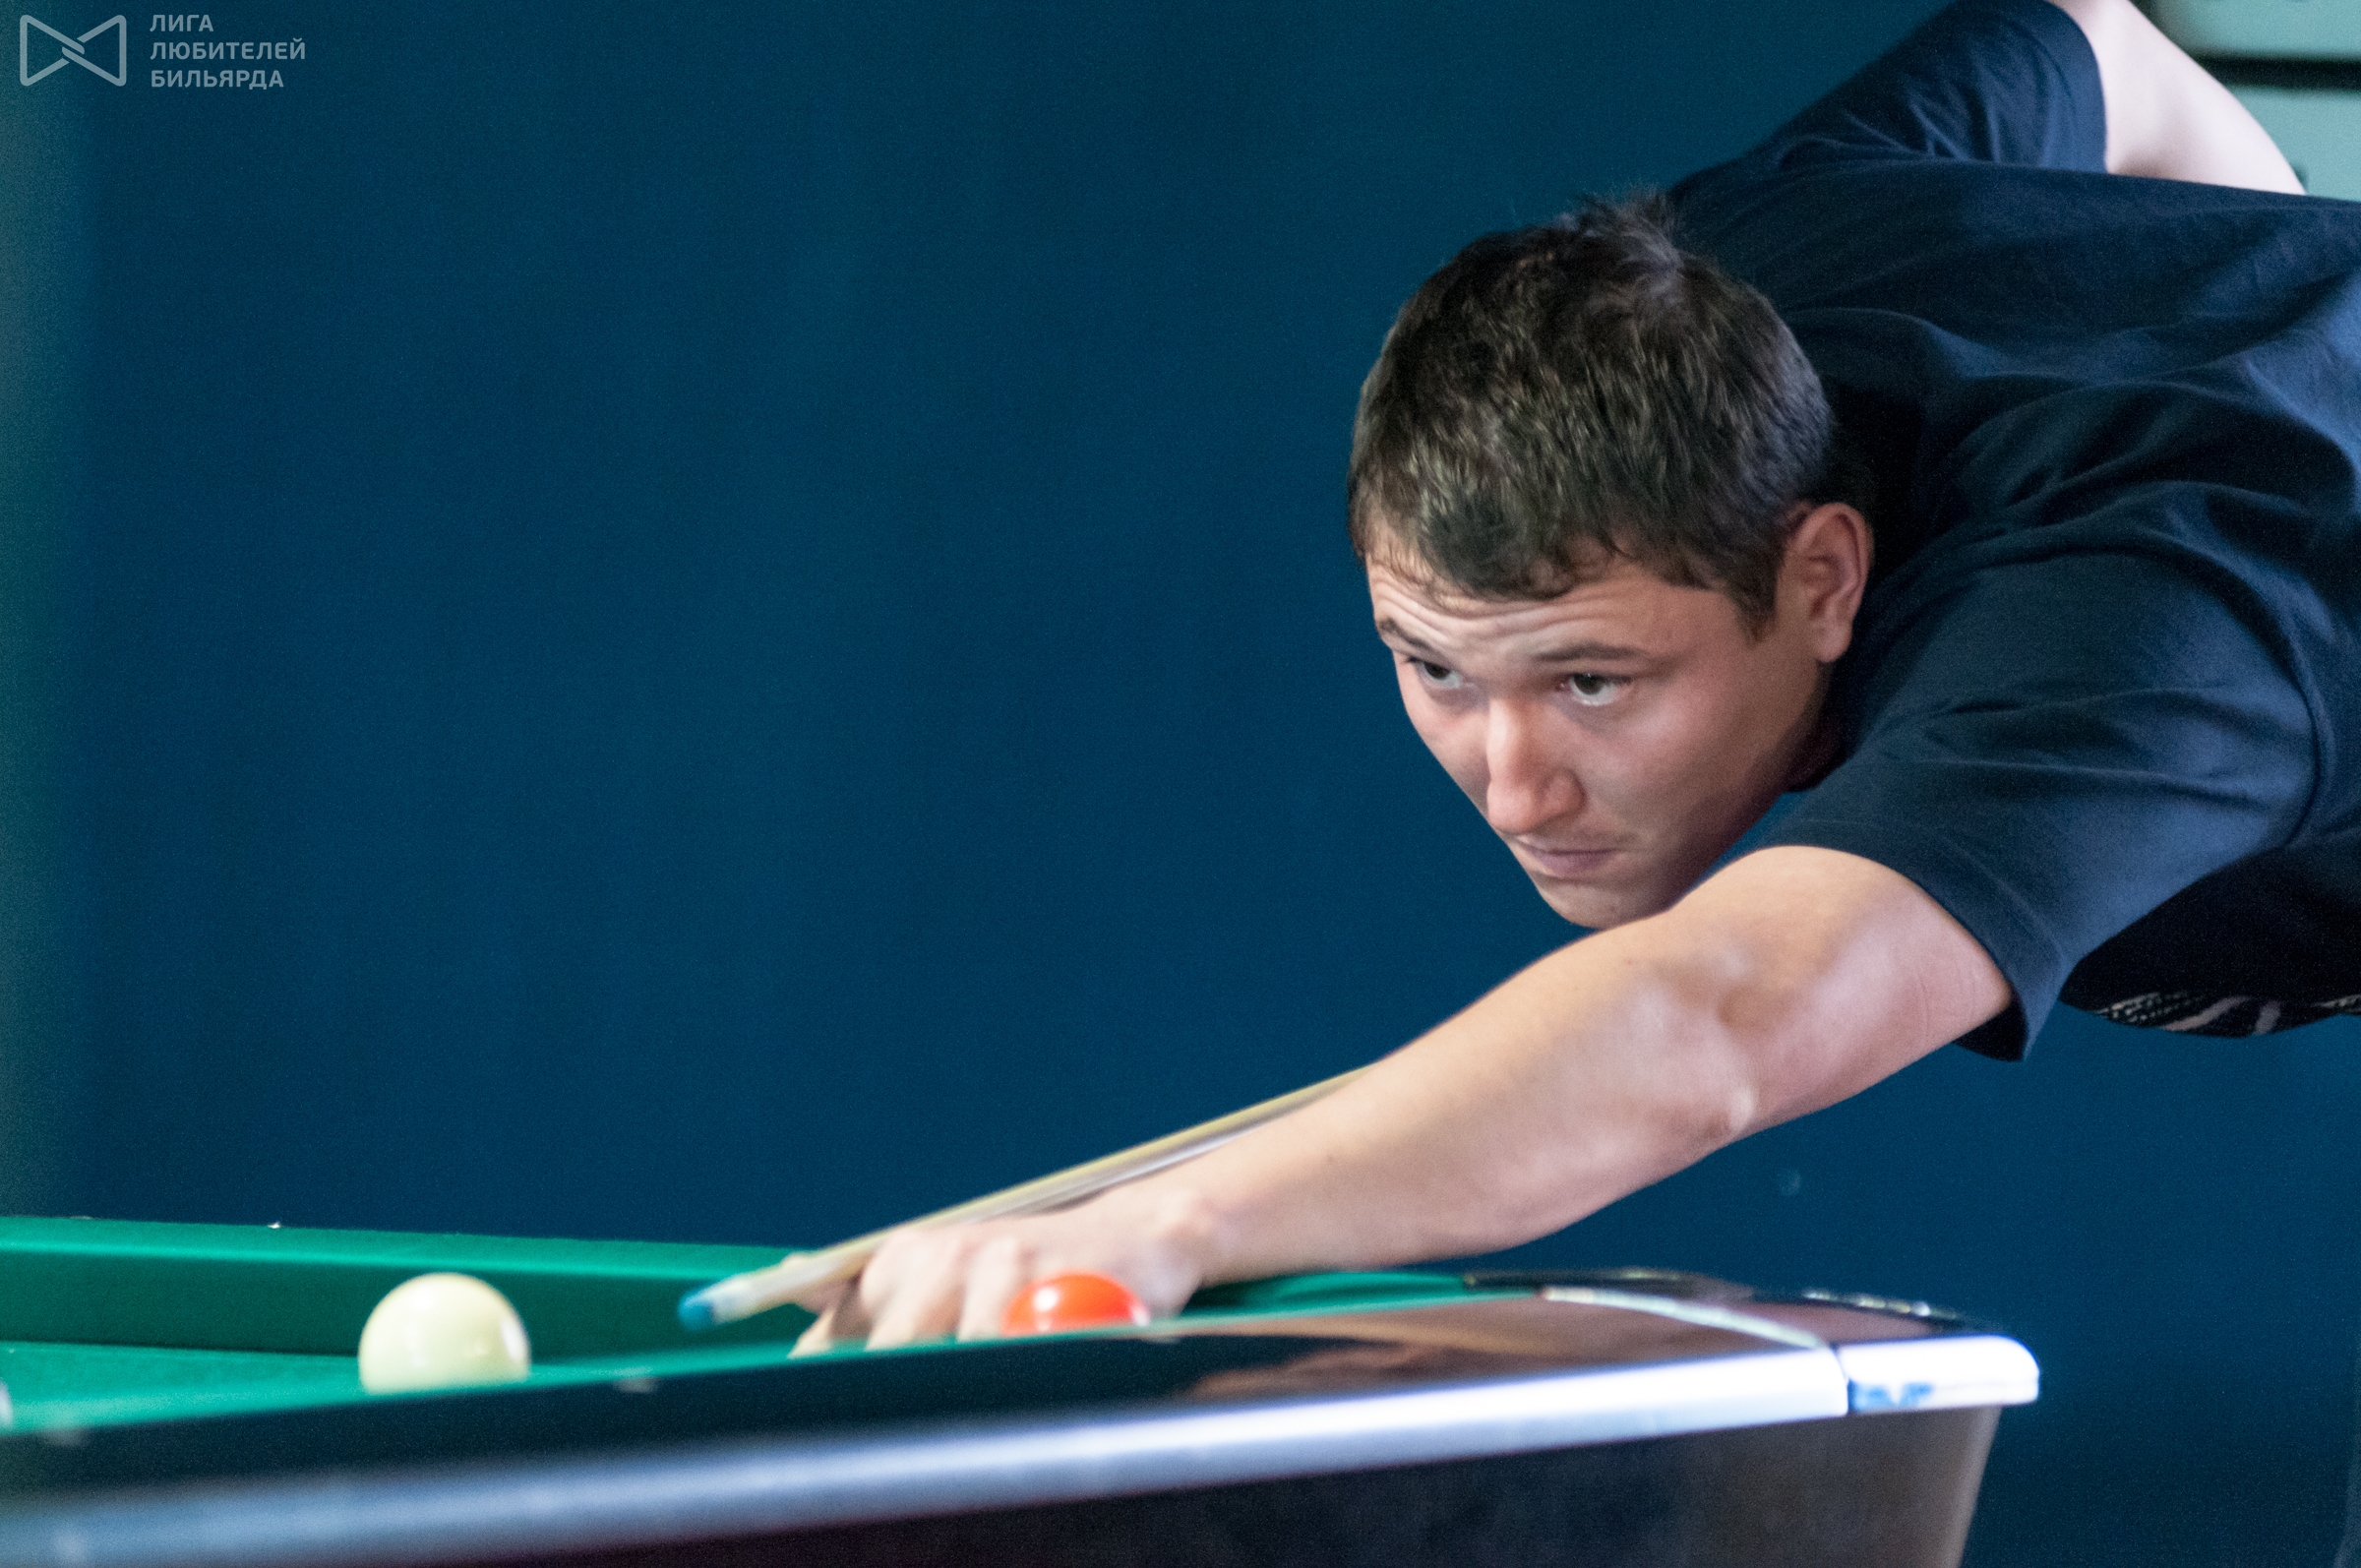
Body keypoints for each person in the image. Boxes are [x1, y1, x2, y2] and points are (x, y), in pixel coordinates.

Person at [794, 0, 2359, 1353]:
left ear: (1824, 579)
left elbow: (1727, 1013)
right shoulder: (1720, 280)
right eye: (1436, 667)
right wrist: (2276, 303)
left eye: (1594, 683)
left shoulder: (2142, 626)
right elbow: (2104, 42)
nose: (1516, 784)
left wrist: (1173, 1223)